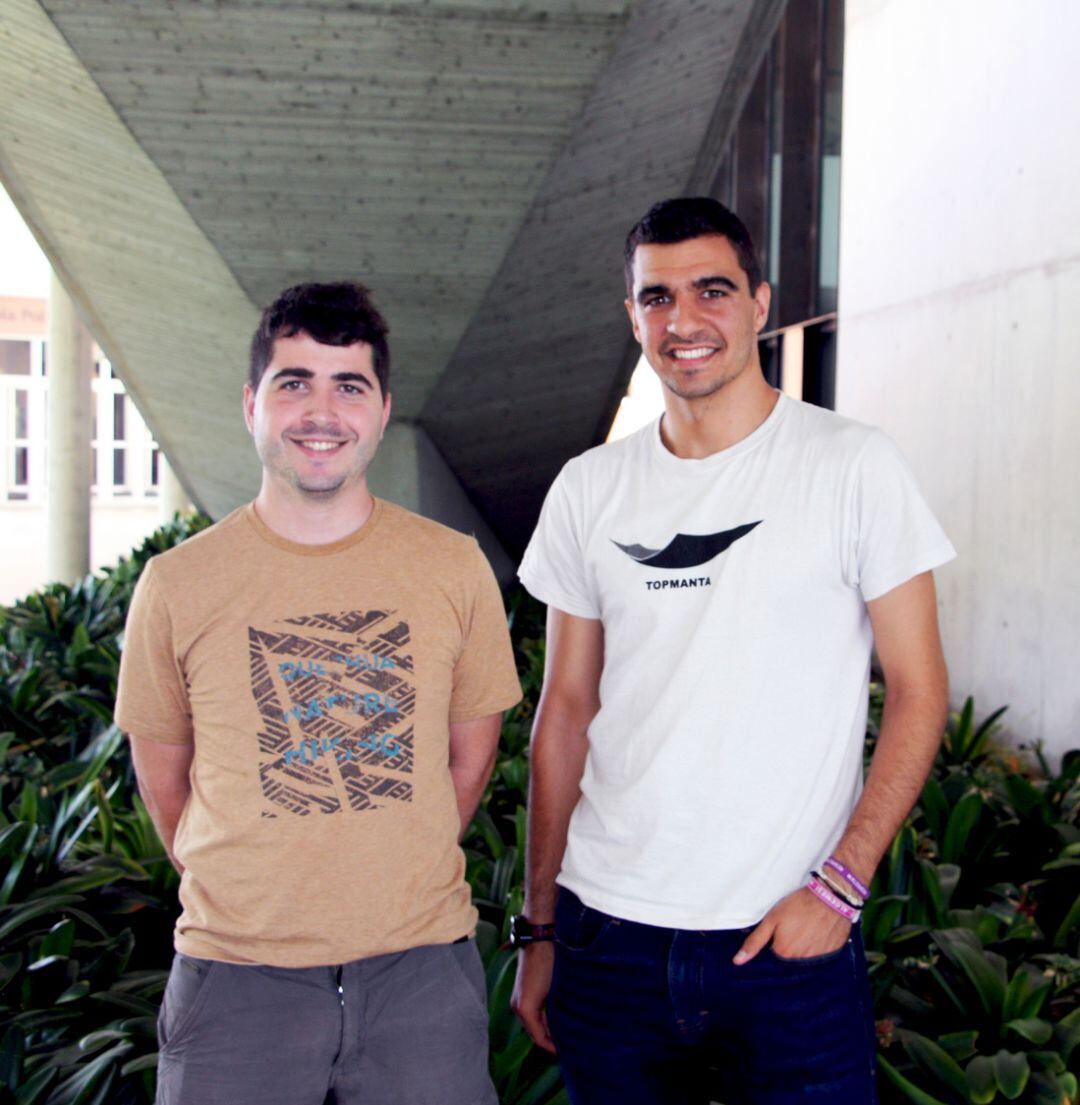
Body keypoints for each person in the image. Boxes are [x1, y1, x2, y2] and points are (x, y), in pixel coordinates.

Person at [510, 197, 955, 1104]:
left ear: (758, 301)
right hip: (609, 938)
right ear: (632, 315)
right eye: (657, 296)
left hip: (788, 940)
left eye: (711, 289)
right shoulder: (590, 488)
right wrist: (541, 926)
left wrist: (841, 886)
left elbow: (918, 691)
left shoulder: (852, 465)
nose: (685, 320)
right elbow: (564, 713)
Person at [115, 281, 521, 1105]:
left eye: (349, 386)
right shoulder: (178, 583)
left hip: (420, 977)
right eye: (293, 382)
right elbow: (165, 776)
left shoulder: (452, 567)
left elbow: (470, 756)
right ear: (251, 403)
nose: (320, 411)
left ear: (381, 409)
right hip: (236, 983)